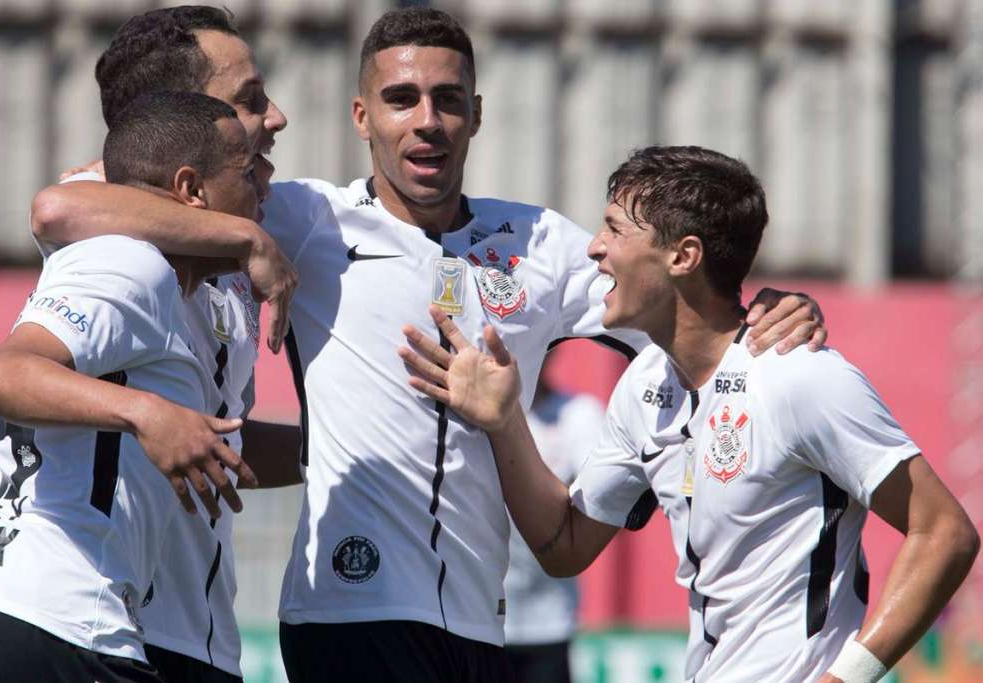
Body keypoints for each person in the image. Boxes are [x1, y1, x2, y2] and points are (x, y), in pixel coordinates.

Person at [30, 7, 827, 681]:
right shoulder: (306, 219)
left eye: (448, 100)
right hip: (347, 610)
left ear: (476, 113)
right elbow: (65, 206)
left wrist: (767, 308)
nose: (427, 120)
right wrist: (241, 235)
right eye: (402, 98)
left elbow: (675, 308)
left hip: (484, 624)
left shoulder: (539, 241)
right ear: (362, 116)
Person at [399, 145, 981, 683]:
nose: (594, 249)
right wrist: (505, 421)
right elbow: (565, 546)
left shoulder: (799, 375)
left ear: (683, 256)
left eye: (614, 229)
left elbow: (945, 533)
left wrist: (844, 679)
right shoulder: (645, 386)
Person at [0, 8, 300, 682]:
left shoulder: (225, 241)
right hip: (85, 617)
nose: (276, 118)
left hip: (176, 630)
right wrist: (148, 414)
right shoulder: (121, 246)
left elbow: (208, 438)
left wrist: (355, 449)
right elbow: (7, 371)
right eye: (249, 101)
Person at [503, 363, 603, 683]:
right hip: (474, 621)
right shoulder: (467, 413)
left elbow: (598, 501)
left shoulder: (579, 414)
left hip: (549, 621)